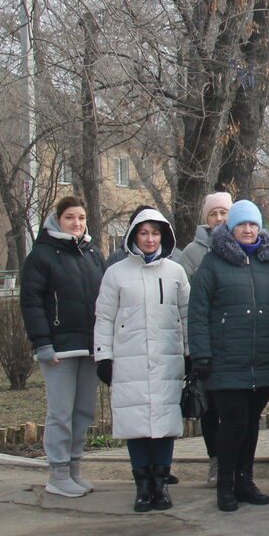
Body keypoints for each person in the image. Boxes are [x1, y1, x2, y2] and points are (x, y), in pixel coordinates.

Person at [93, 208, 190, 512]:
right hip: (129, 360)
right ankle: (142, 487)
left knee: (164, 423)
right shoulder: (116, 273)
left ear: (164, 236)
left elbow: (187, 315)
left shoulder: (175, 272)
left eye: (156, 233)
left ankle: (161, 485)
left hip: (167, 358)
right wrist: (103, 356)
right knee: (134, 424)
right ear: (134, 235)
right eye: (144, 232)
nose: (150, 239)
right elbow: (104, 317)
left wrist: (191, 353)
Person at [188, 200, 269, 512]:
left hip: (263, 358)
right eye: (241, 224)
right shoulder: (213, 264)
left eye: (253, 224)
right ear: (231, 228)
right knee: (232, 423)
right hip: (226, 360)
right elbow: (198, 312)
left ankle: (246, 480)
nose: (247, 229)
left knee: (252, 422)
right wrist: (200, 354)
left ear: (260, 227)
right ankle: (225, 484)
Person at [20, 194, 107, 498]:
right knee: (60, 412)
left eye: (81, 218)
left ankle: (73, 469)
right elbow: (31, 302)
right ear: (57, 220)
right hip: (57, 350)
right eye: (70, 217)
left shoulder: (93, 253)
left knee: (83, 411)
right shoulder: (42, 256)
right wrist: (42, 343)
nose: (76, 223)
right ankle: (56, 474)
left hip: (89, 347)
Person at [172, 191, 232, 484]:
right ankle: (216, 461)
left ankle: (236, 461)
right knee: (210, 408)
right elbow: (184, 299)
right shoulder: (192, 253)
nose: (219, 219)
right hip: (205, 339)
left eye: (224, 213)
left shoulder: (240, 244)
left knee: (234, 407)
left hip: (233, 340)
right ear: (205, 218)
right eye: (213, 214)